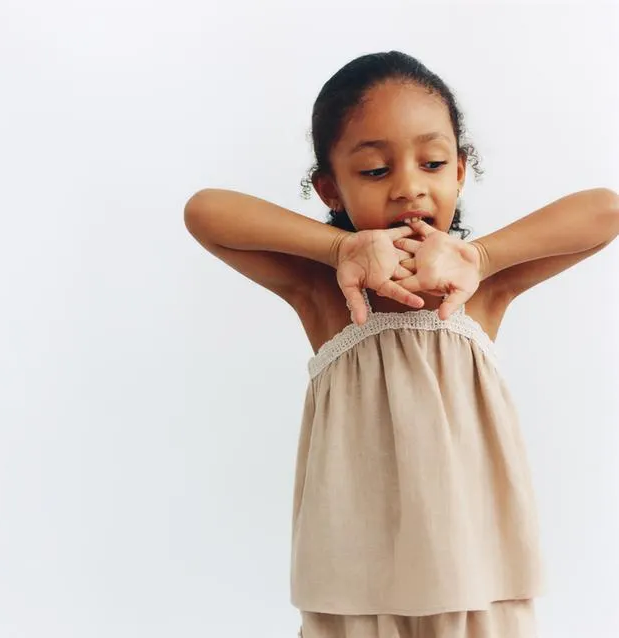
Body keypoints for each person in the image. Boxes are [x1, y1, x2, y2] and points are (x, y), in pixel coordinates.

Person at [183, 50, 619, 638]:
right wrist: (340, 250)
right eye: (373, 171)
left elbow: (605, 210)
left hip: (478, 577)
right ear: (329, 188)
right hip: (355, 583)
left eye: (433, 162)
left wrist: (479, 256)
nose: (409, 188)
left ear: (460, 172)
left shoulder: (479, 288)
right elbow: (205, 211)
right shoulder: (324, 294)